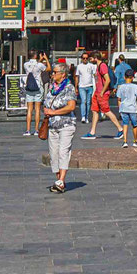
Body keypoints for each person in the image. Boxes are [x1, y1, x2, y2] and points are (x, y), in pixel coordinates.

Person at [43, 60, 79, 193]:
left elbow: (71, 106)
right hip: (52, 125)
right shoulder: (52, 87)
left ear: (63, 74)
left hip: (66, 124)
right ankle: (58, 180)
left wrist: (54, 112)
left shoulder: (68, 88)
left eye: (55, 72)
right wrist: (46, 110)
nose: (52, 74)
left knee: (64, 151)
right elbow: (46, 102)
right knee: (54, 154)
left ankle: (62, 180)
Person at [115, 74, 137, 147]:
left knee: (125, 124)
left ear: (124, 77)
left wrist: (120, 109)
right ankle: (135, 141)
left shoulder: (121, 87)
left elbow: (119, 99)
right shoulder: (135, 86)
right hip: (132, 108)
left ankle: (125, 142)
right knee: (134, 125)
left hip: (123, 108)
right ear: (132, 78)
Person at [75, 53, 99, 133]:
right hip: (82, 86)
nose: (85, 59)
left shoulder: (91, 66)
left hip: (90, 86)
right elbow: (77, 76)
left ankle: (87, 117)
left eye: (86, 58)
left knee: (89, 102)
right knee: (83, 101)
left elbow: (95, 75)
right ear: (82, 59)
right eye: (84, 58)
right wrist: (76, 87)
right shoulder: (79, 66)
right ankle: (83, 116)